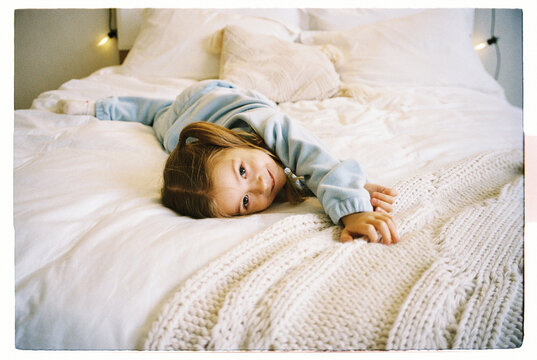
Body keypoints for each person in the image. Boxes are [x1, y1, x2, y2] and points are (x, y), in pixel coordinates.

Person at [59, 80, 399, 244]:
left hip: (206, 96)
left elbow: (307, 155)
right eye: (246, 201)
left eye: (242, 171)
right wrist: (337, 187)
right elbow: (297, 177)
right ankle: (102, 109)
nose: (263, 184)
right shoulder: (171, 137)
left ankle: (105, 107)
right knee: (155, 116)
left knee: (159, 109)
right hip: (176, 128)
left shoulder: (262, 124)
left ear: (228, 141)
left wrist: (349, 204)